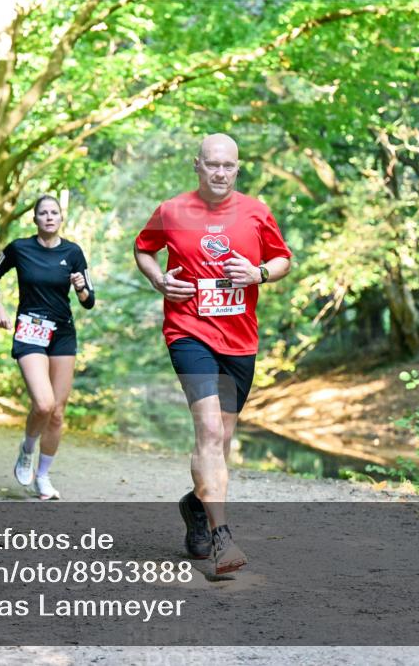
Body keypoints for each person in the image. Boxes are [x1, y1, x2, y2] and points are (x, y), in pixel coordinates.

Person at [134, 134, 292, 574]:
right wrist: (159, 280)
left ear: (237, 169)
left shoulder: (256, 212)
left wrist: (258, 273)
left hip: (240, 339)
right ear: (197, 166)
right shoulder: (171, 210)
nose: (219, 172)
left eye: (228, 166)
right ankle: (223, 538)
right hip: (188, 332)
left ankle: (195, 507)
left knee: (220, 442)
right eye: (212, 165)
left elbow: (283, 260)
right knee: (207, 429)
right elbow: (143, 248)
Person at [0, 194, 95, 501]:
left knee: (57, 413)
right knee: (43, 404)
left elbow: (89, 301)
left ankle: (43, 477)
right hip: (30, 331)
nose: (48, 217)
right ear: (35, 219)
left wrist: (81, 288)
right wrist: (1, 311)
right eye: (42, 213)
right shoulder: (20, 248)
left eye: (53, 213)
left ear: (61, 218)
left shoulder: (73, 252)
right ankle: (26, 449)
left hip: (62, 334)